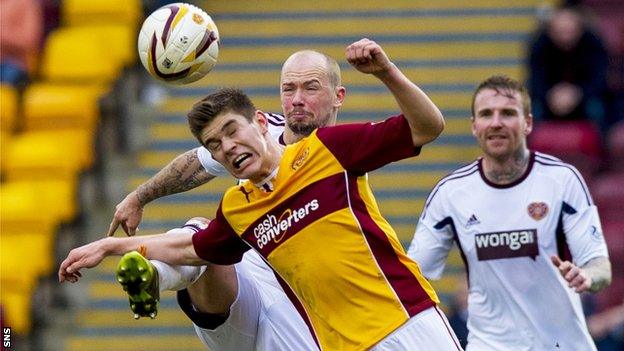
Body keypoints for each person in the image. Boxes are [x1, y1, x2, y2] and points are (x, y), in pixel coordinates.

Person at [59, 38, 463, 351]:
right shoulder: (238, 208)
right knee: (196, 233)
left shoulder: (330, 148)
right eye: (216, 144)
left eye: (232, 132)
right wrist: (110, 244)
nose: (227, 148)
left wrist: (386, 71)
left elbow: (428, 127)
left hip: (406, 322)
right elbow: (193, 247)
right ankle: (155, 277)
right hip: (336, 342)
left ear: (259, 122)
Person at [112, 48, 346, 350]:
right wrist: (138, 197)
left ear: (338, 96)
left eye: (310, 87)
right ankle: (154, 277)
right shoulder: (258, 135)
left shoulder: (344, 155)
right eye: (289, 89)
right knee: (200, 231)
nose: (297, 99)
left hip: (307, 303)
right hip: (242, 295)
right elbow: (197, 163)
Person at [407, 75, 612, 350]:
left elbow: (600, 266)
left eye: (507, 113)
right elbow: (414, 277)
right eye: (486, 114)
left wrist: (587, 277)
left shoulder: (562, 180)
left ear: (527, 123)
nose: (496, 123)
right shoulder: (450, 193)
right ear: (474, 126)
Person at [528, 6, 610, 130]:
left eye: (570, 32)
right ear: (550, 30)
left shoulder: (594, 44)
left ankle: (604, 148)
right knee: (530, 112)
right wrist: (550, 95)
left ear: (580, 29)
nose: (566, 37)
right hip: (549, 99)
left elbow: (599, 79)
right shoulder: (539, 45)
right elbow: (535, 79)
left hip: (585, 97)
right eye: (560, 32)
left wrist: (577, 94)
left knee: (599, 109)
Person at [0, 0, 43, 86]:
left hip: (13, 64)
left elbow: (30, 41)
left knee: (8, 76)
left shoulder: (26, 3)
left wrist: (3, 35)